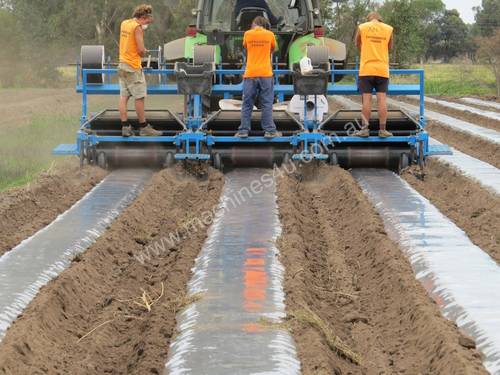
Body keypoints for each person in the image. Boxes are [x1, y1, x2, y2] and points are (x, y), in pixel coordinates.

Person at [118, 4, 162, 137]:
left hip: (122, 65)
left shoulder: (125, 23)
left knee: (123, 97)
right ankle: (144, 127)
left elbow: (129, 43)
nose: (147, 24)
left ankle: (125, 127)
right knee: (139, 97)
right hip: (133, 67)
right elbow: (141, 50)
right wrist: (143, 51)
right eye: (147, 21)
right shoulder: (137, 28)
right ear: (142, 17)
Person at [235, 16, 281, 138]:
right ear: (264, 24)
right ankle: (269, 130)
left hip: (250, 73)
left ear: (254, 24)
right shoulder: (270, 35)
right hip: (266, 73)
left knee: (247, 102)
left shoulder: (247, 34)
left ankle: (244, 130)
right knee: (266, 102)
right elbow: (273, 49)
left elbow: (246, 48)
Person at [354, 11, 394, 138]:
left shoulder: (362, 27)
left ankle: (365, 129)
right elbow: (389, 47)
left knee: (367, 100)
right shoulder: (388, 29)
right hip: (382, 69)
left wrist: (366, 51)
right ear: (380, 19)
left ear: (369, 19)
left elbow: (357, 44)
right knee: (382, 99)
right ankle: (382, 130)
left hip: (366, 69)